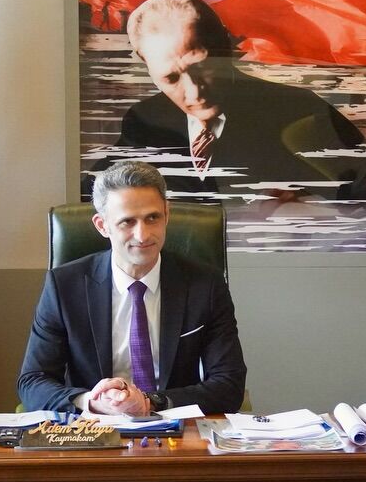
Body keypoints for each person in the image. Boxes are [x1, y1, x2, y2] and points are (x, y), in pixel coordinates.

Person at [105, 0, 366, 201]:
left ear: (226, 47)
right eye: (171, 78)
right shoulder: (145, 121)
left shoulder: (301, 110)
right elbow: (98, 194)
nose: (194, 91)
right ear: (149, 70)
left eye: (202, 67)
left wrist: (314, 207)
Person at [18, 161, 246, 415]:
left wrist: (150, 402)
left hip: (175, 425)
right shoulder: (64, 286)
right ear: (102, 225)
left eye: (152, 218)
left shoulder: (206, 285)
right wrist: (91, 401)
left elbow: (229, 385)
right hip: (95, 427)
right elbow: (32, 382)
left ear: (167, 214)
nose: (143, 235)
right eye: (127, 222)